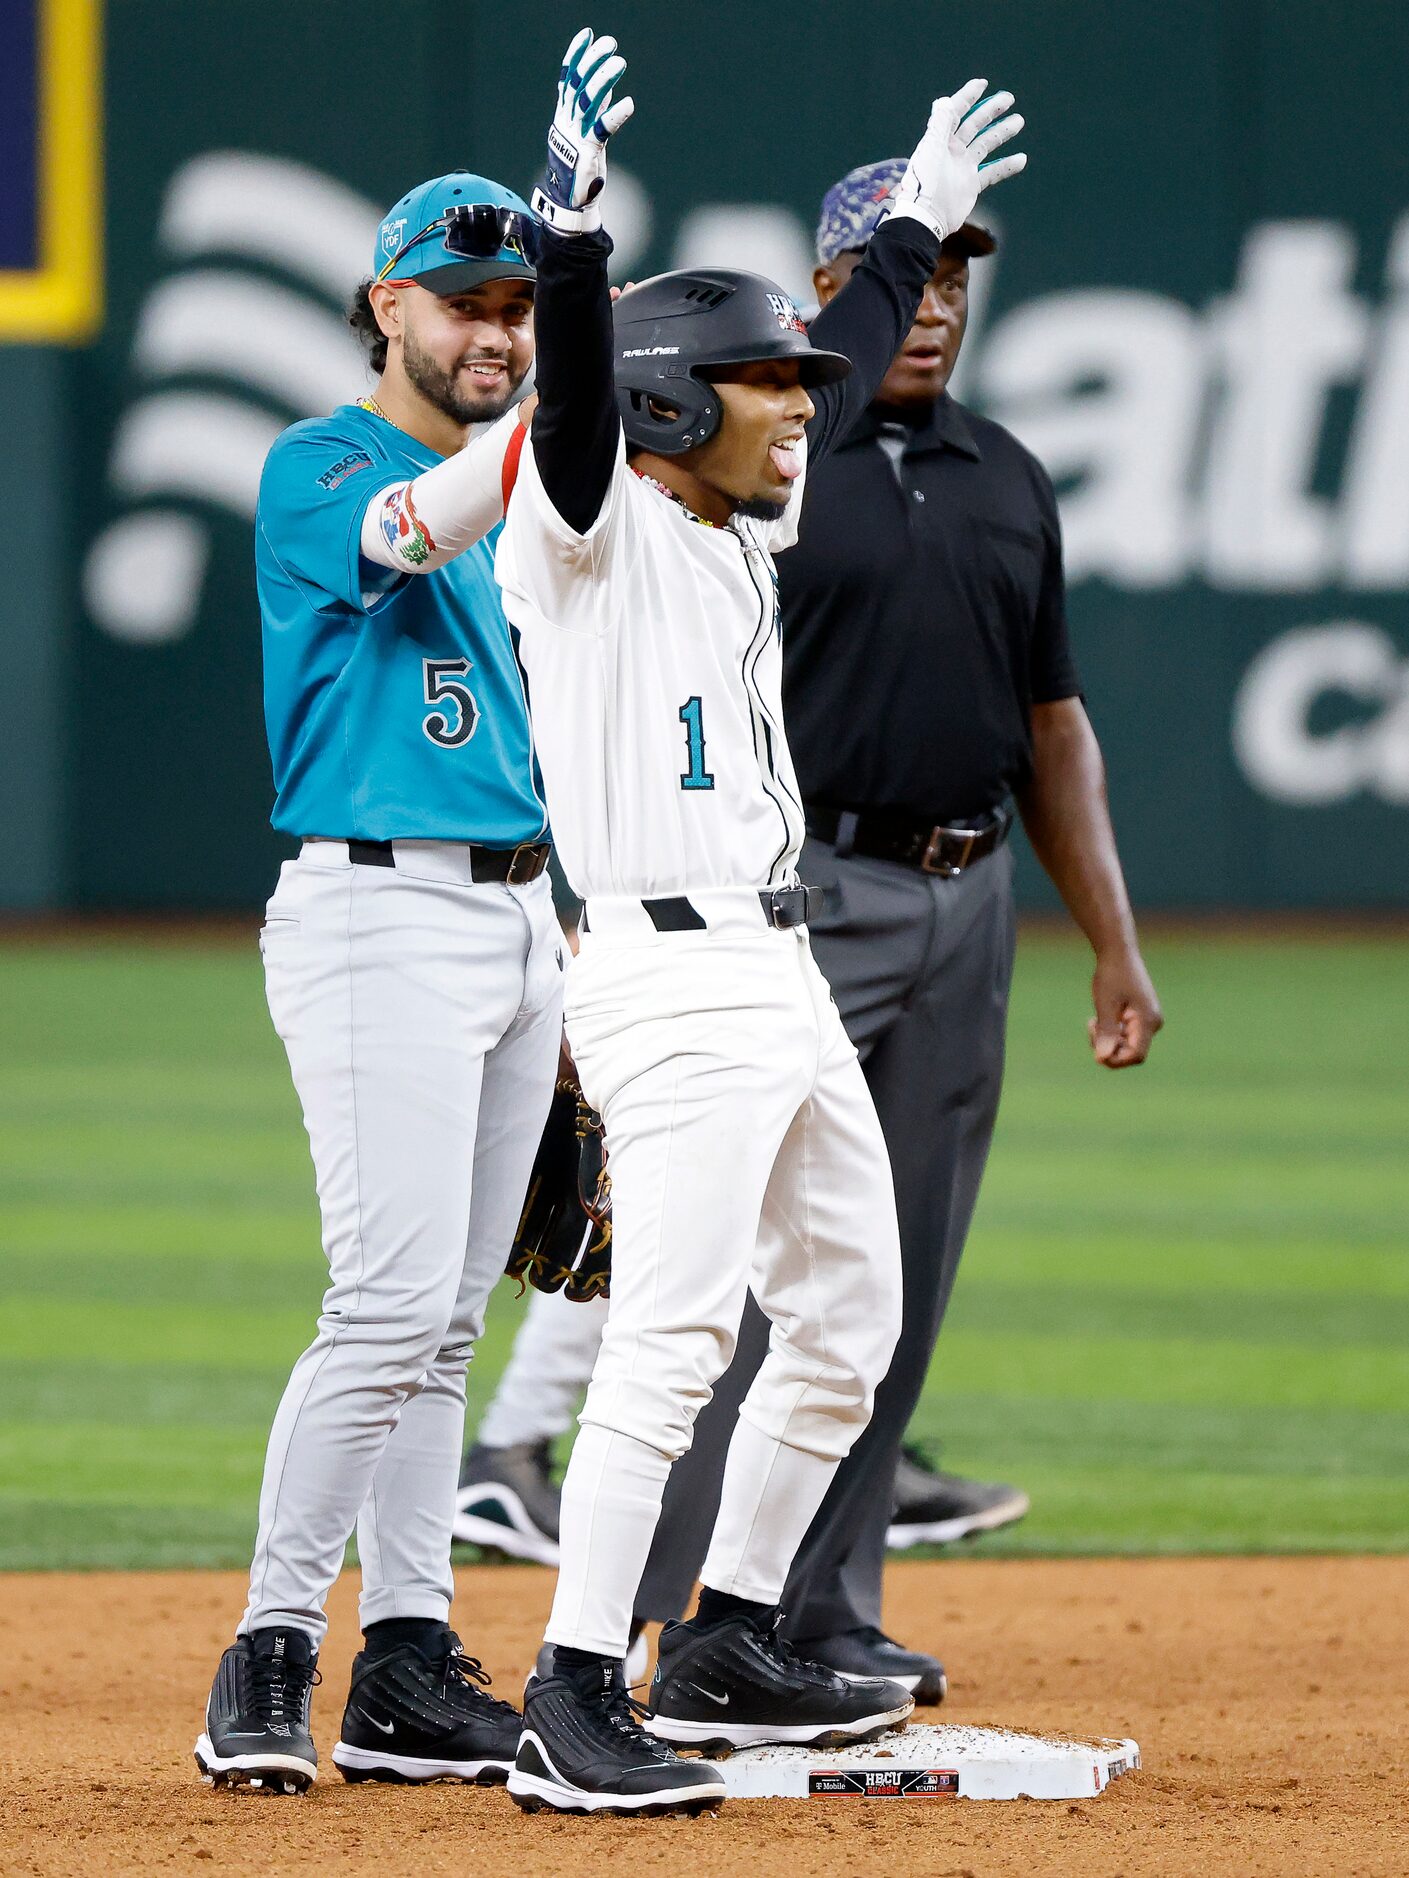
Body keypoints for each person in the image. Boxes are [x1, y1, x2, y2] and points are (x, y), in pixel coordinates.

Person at [492, 30, 1027, 1817]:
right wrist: (569, 240)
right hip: (662, 973)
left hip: (774, 962)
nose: (802, 402)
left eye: (797, 377)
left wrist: (908, 236)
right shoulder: (580, 535)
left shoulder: (735, 520)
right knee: (673, 1336)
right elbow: (571, 410)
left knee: (849, 1320)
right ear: (665, 402)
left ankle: (726, 1638)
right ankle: (573, 1692)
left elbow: (851, 360)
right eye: (759, 381)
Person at [630, 160, 1164, 1700]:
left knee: (893, 1280)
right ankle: (681, 1616)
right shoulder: (770, 466)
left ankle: (823, 1609)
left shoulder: (1006, 470)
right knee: (738, 1280)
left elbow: (1052, 722)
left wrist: (1109, 939)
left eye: (946, 275)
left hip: (965, 896)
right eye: (898, 273)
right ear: (829, 288)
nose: (927, 302)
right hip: (800, 889)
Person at [194, 171, 565, 1795]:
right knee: (390, 1302)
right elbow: (418, 528)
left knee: (446, 1328)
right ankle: (267, 1649)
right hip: (373, 913)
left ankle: (406, 1662)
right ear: (383, 305)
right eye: (458, 298)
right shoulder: (320, 461)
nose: (488, 327)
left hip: (518, 917)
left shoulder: (532, 477)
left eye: (513, 303)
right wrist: (562, 374)